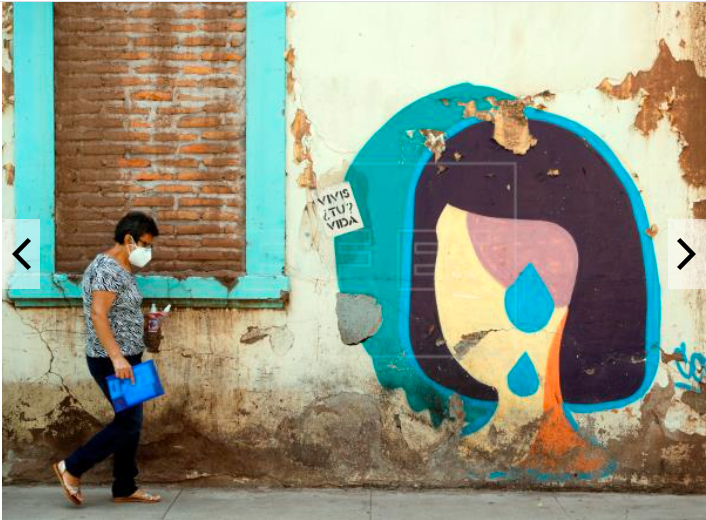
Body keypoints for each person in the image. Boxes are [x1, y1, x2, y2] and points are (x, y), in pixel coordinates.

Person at [53, 211, 162, 506]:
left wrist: (148, 321)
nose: (147, 251)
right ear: (128, 240)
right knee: (128, 423)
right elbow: (99, 315)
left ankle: (125, 487)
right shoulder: (106, 269)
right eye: (144, 244)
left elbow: (117, 313)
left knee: (130, 421)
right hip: (111, 359)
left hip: (128, 356)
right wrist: (117, 358)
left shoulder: (123, 269)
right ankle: (72, 468)